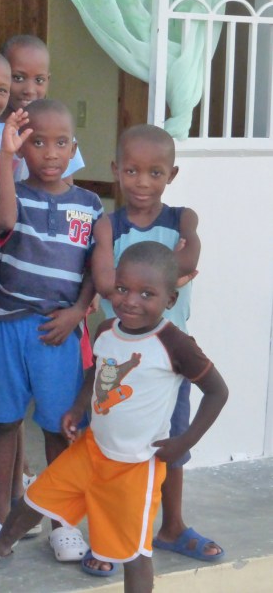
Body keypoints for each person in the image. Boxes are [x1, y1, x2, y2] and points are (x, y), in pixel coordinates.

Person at [0, 241, 229, 593]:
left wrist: (184, 442)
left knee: (134, 551)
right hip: (92, 450)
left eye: (147, 293)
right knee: (38, 495)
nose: (130, 300)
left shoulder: (175, 344)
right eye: (122, 288)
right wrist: (78, 407)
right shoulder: (106, 330)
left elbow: (217, 392)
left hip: (135, 465)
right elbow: (96, 371)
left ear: (170, 300)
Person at [86, 124, 221, 574]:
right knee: (110, 448)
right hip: (120, 356)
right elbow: (106, 283)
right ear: (115, 171)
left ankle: (172, 526)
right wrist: (164, 277)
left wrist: (156, 272)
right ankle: (107, 537)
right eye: (132, 170)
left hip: (169, 362)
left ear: (172, 174)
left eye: (155, 172)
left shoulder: (183, 218)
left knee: (170, 446)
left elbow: (189, 260)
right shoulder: (108, 224)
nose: (142, 182)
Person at [0, 99, 103, 561]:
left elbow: (92, 266)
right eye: (38, 142)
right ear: (22, 146)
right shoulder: (13, 194)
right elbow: (1, 221)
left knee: (59, 429)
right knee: (4, 423)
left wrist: (77, 312)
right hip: (9, 326)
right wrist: (5, 158)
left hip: (59, 331)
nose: (51, 152)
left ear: (75, 147)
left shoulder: (89, 205)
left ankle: (63, 522)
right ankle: (0, 515)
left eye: (61, 142)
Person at [0, 34, 85, 183]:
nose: (30, 90)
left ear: (48, 81)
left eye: (39, 80)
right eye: (18, 78)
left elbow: (65, 191)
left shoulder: (58, 131)